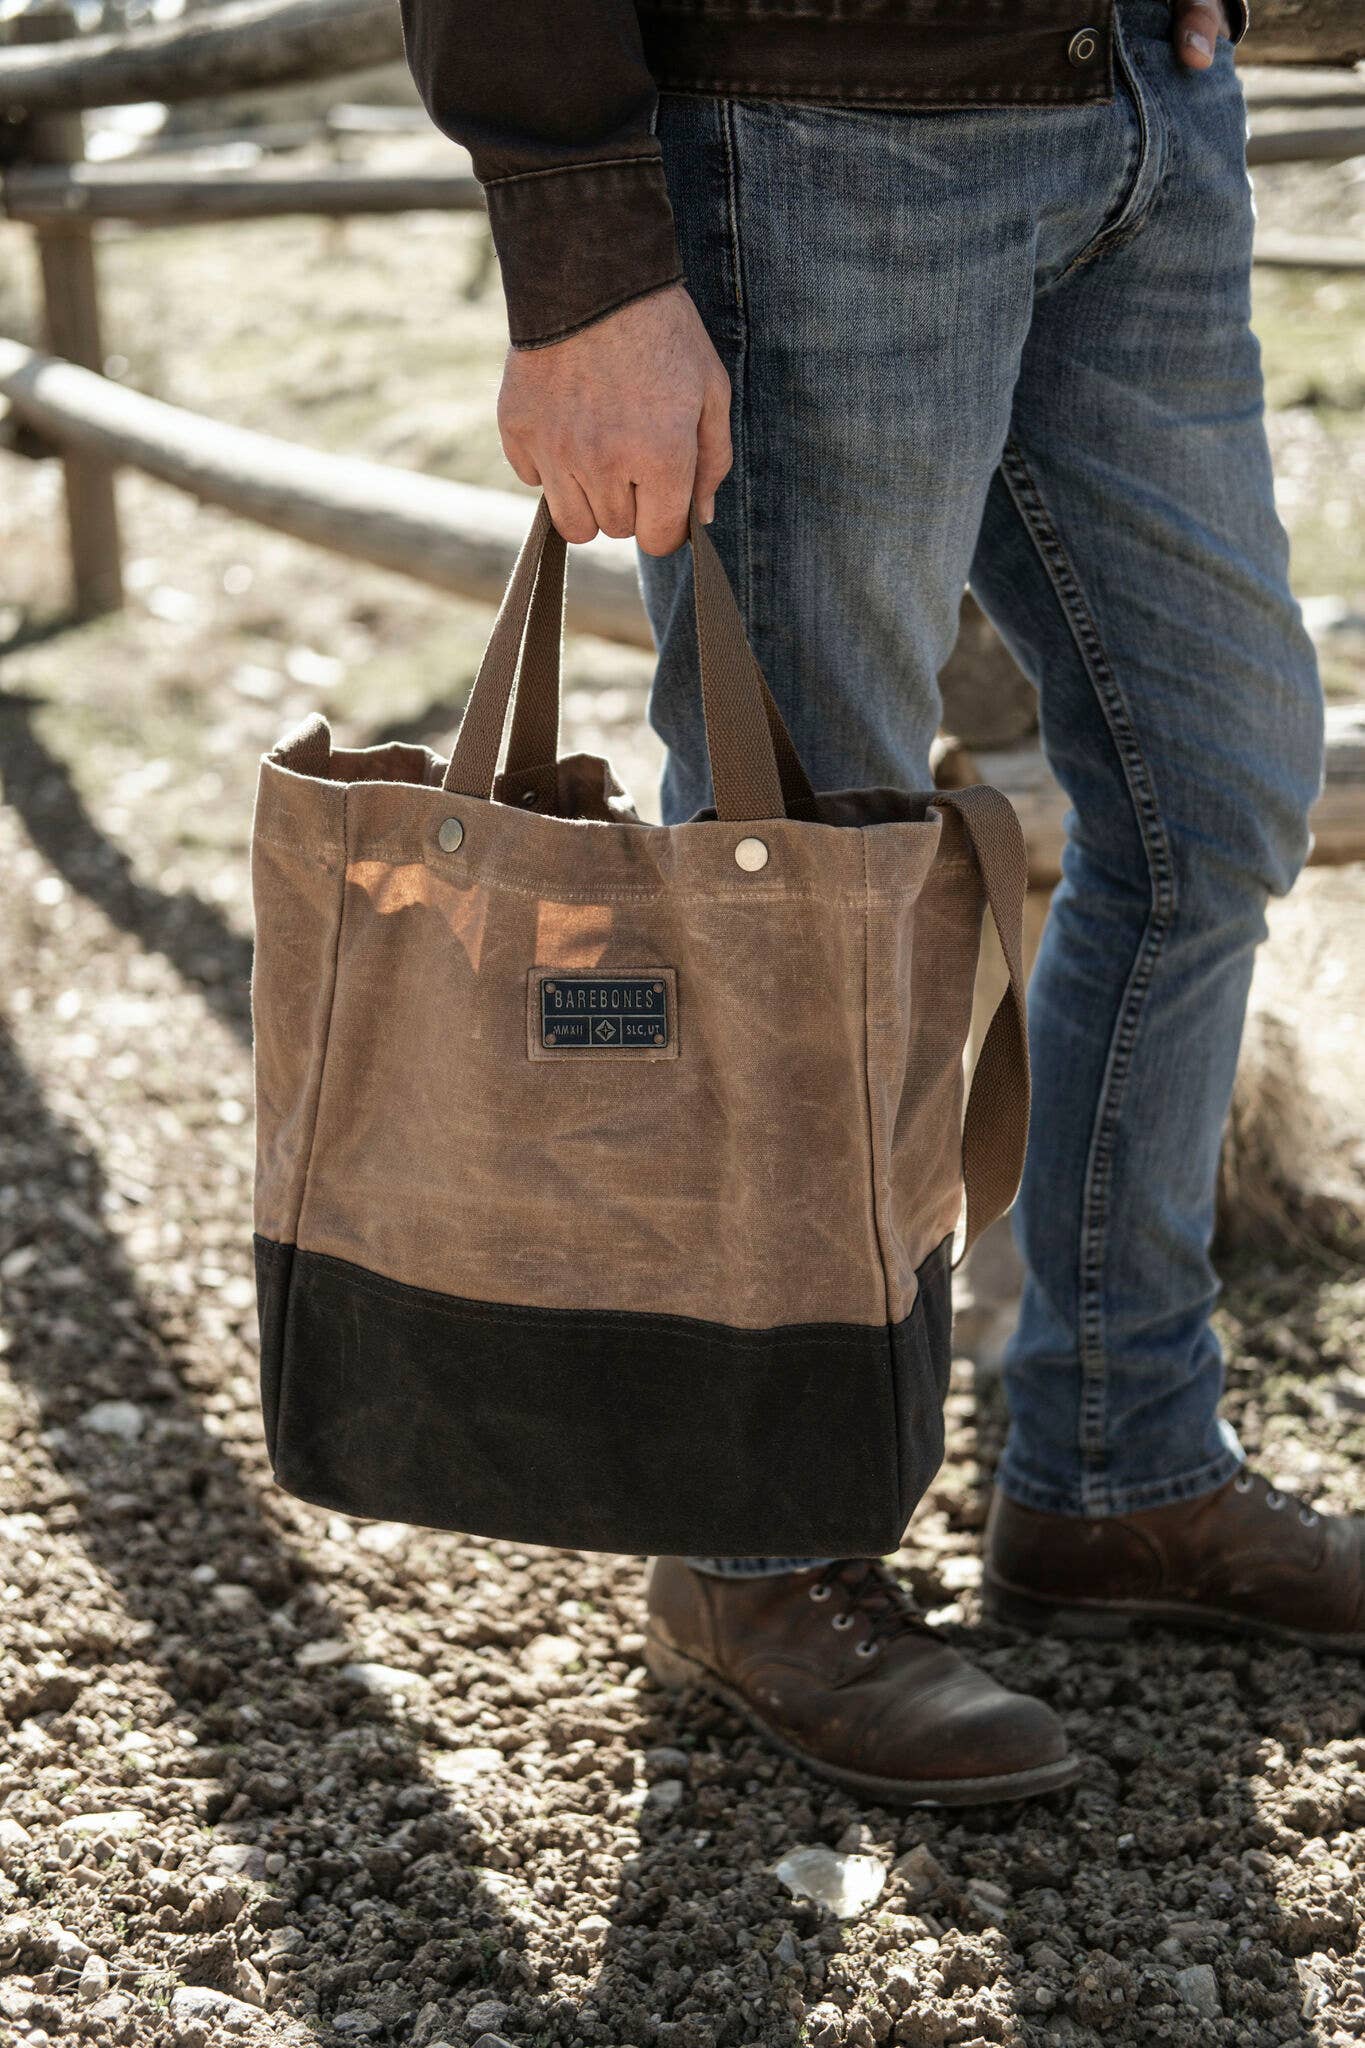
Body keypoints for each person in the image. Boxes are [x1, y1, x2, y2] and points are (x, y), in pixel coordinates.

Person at [397, 0, 1359, 1806]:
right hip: (812, 132)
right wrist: (585, 244)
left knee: (1218, 801)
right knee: (795, 893)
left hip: (1149, 108)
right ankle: (753, 1556)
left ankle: (1116, 1469)